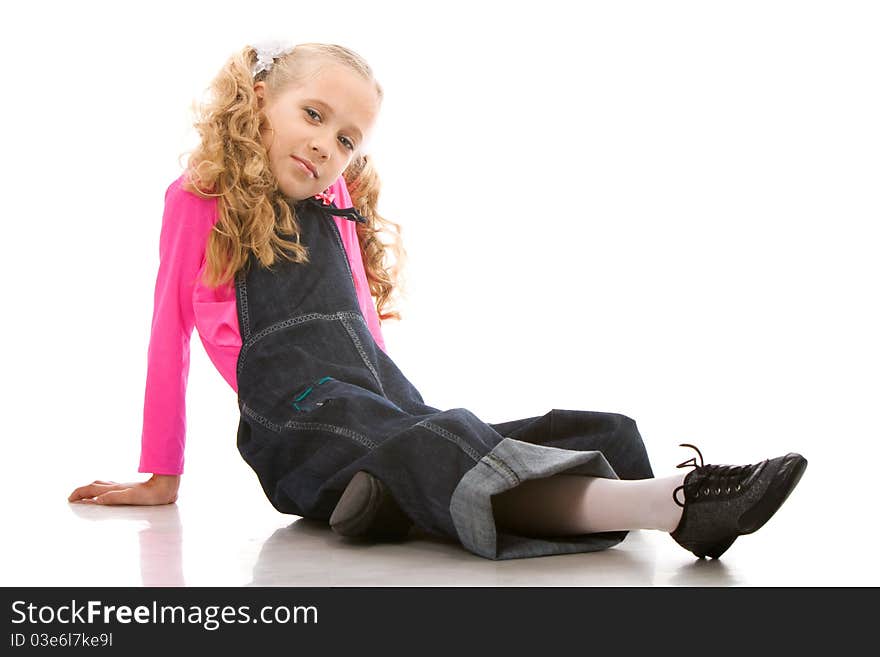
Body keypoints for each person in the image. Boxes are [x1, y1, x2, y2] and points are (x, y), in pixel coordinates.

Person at [68, 41, 807, 561]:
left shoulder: (333, 201)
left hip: (366, 400)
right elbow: (167, 329)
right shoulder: (200, 200)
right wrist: (161, 472)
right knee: (432, 445)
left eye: (349, 138)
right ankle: (677, 501)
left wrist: (403, 404)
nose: (329, 145)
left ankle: (384, 499)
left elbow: (359, 325)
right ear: (260, 100)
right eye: (314, 114)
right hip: (292, 422)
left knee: (482, 432)